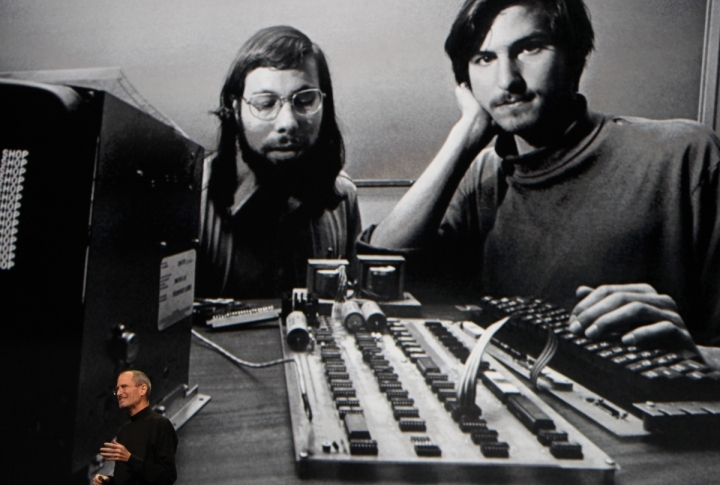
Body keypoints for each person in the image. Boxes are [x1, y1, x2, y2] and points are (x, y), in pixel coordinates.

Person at [363, 0, 720, 358]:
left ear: (576, 58)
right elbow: (378, 272)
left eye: (530, 48)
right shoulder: (485, 177)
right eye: (483, 58)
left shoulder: (685, 156)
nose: (507, 81)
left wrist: (696, 357)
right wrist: (466, 133)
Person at [196, 26, 361, 298]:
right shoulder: (190, 201)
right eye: (265, 103)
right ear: (235, 110)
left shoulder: (344, 197)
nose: (288, 122)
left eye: (305, 100)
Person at [93, 371, 178, 485]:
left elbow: (167, 477)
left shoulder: (160, 425)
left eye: (124, 387)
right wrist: (109, 481)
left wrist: (129, 458)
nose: (119, 393)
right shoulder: (124, 431)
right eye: (117, 389)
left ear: (142, 389)